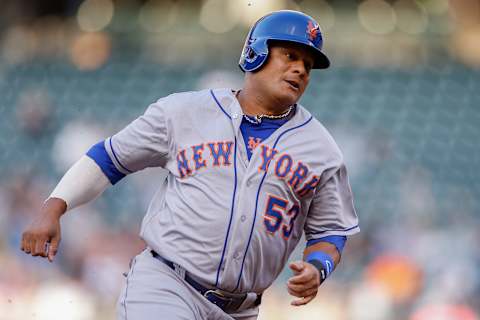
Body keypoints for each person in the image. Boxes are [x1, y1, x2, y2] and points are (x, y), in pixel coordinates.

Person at [21, 10, 359, 320]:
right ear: (255, 52)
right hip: (167, 285)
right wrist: (55, 205)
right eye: (290, 55)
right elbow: (111, 158)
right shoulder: (184, 113)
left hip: (242, 309)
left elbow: (331, 230)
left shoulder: (321, 149)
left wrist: (318, 267)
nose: (300, 69)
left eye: (308, 64)